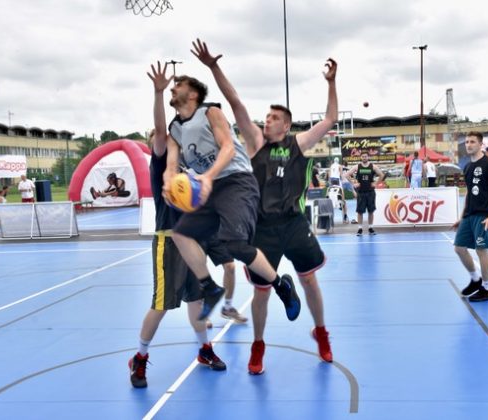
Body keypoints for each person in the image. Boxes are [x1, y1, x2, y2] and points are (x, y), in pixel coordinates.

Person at [192, 38, 336, 373]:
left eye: (273, 118)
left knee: (310, 281)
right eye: (266, 117)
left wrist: (331, 83)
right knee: (262, 292)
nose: (266, 120)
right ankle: (258, 346)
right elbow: (235, 102)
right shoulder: (255, 142)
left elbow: (329, 119)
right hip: (262, 229)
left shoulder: (298, 143)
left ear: (286, 125)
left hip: (294, 223)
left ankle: (322, 333)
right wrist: (214, 67)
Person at [162, 59, 300, 325]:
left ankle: (281, 285)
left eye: (178, 85)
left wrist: (208, 177)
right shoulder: (175, 129)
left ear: (192, 94)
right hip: (206, 186)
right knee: (180, 235)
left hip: (235, 181)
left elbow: (227, 147)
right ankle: (210, 288)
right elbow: (170, 165)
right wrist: (169, 182)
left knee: (235, 244)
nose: (173, 87)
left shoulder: (210, 112)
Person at [128, 63, 228, 389]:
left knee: (197, 301)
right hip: (168, 238)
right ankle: (139, 358)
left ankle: (204, 350)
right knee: (161, 304)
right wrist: (159, 92)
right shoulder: (161, 156)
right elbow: (161, 129)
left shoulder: (191, 154)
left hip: (193, 237)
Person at [453, 131, 488, 302]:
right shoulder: (467, 167)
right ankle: (475, 279)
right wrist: (461, 216)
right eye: (466, 142)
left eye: (472, 141)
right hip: (469, 214)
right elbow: (468, 193)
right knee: (459, 248)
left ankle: (487, 288)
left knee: (481, 250)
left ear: (480, 144)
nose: (468, 144)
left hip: (484, 214)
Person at [345, 151, 385, 235]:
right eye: (362, 156)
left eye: (365, 156)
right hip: (361, 192)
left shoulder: (373, 166)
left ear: (368, 157)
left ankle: (370, 228)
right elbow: (347, 175)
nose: (364, 158)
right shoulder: (357, 167)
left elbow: (382, 175)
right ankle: (360, 229)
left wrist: (376, 183)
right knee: (360, 211)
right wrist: (353, 183)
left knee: (371, 211)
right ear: (361, 157)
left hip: (370, 192)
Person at [329, 157, 349, 223]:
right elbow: (341, 175)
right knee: (343, 199)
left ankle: (330, 217)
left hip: (332, 182)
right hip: (337, 181)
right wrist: (345, 180)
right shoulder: (340, 166)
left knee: (331, 199)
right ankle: (345, 214)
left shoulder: (331, 166)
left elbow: (329, 175)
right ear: (338, 161)